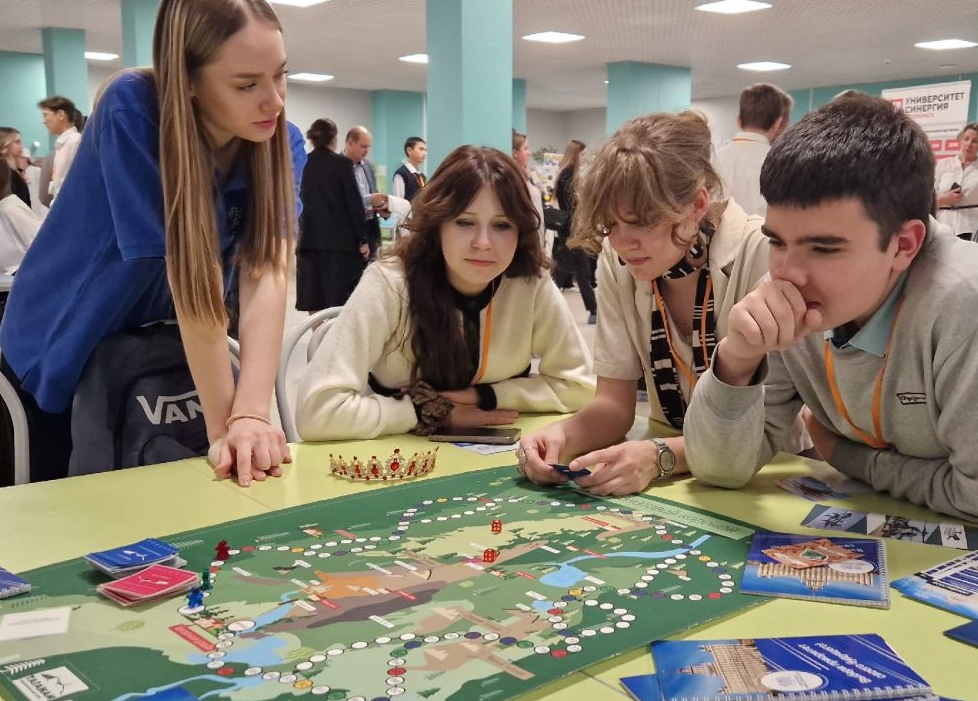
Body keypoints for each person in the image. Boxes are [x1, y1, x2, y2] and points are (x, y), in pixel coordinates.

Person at [684, 93, 978, 529]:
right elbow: (720, 469)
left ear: (904, 244)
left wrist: (850, 458)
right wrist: (737, 360)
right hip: (907, 518)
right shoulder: (791, 295)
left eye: (824, 248)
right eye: (777, 241)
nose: (787, 272)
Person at [0, 0, 299, 487]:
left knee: (184, 510)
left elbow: (265, 275)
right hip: (64, 343)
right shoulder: (134, 109)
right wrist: (224, 427)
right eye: (247, 85)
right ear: (187, 80)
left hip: (168, 349)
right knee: (60, 522)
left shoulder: (280, 142)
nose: (274, 100)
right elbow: (191, 272)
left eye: (281, 75)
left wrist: (251, 413)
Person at [514, 111, 771, 496]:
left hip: (763, 475)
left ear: (697, 205)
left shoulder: (761, 252)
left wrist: (660, 455)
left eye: (642, 222)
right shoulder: (618, 260)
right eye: (611, 224)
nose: (622, 242)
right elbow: (613, 405)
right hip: (681, 480)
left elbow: (769, 428)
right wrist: (562, 437)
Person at [297, 145, 592, 440]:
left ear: (521, 231)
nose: (483, 242)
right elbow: (317, 412)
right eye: (465, 222)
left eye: (502, 225)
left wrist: (483, 396)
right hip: (395, 455)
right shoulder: (390, 282)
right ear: (437, 224)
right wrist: (428, 411)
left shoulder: (530, 283)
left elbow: (580, 387)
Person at [296, 118, 371, 312]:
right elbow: (353, 203)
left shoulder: (302, 163)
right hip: (340, 245)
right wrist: (362, 238)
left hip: (308, 242)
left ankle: (316, 331)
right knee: (339, 298)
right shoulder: (342, 164)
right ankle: (334, 332)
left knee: (314, 297)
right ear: (334, 139)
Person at [713, 83, 793, 218]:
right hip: (763, 231)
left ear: (739, 120)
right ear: (778, 123)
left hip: (720, 230)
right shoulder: (781, 163)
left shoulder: (716, 158)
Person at [551, 140, 596, 322]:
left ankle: (593, 311)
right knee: (580, 271)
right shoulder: (567, 177)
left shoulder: (567, 176)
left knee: (565, 272)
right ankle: (593, 311)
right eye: (582, 154)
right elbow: (573, 207)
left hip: (570, 230)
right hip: (572, 231)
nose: (584, 158)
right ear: (576, 154)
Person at [343, 126, 386, 259]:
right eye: (363, 146)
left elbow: (374, 192)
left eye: (369, 147)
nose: (367, 151)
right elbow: (343, 201)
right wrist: (370, 199)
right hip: (349, 230)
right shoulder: (337, 167)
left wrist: (381, 207)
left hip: (370, 226)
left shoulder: (368, 166)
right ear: (350, 143)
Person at [38, 94, 85, 202]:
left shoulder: (75, 142)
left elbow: (79, 183)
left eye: (46, 115)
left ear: (60, 115)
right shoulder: (63, 145)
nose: (44, 121)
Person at [0, 126, 35, 206]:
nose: (21, 146)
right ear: (4, 144)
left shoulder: (13, 172)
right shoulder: (4, 174)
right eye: (17, 142)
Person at [391, 136, 427, 203]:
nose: (424, 153)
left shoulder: (422, 176)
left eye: (425, 150)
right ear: (409, 151)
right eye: (421, 149)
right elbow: (398, 201)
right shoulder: (401, 174)